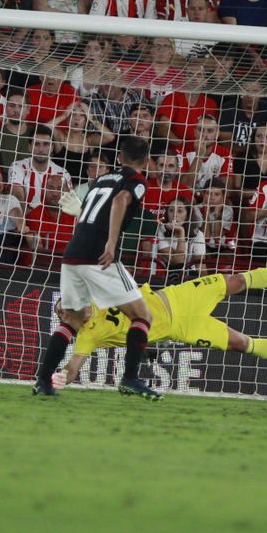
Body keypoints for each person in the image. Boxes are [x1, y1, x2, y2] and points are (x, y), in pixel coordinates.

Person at [57, 260, 267, 386]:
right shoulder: (87, 337)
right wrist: (56, 377)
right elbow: (72, 369)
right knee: (241, 343)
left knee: (235, 281)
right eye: (63, 311)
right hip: (182, 329)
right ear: (68, 319)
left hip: (179, 298)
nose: (68, 307)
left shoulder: (97, 295)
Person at [33, 134, 157, 399]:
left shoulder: (100, 179)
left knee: (73, 319)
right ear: (146, 161)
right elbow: (121, 201)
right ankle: (130, 379)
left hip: (73, 253)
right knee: (143, 316)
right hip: (99, 257)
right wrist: (111, 243)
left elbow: (90, 215)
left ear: (119, 157)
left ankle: (43, 382)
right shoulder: (136, 181)